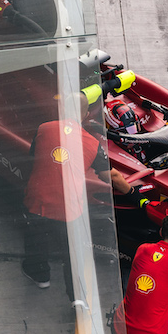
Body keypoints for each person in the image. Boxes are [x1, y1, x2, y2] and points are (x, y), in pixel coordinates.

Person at [21, 94, 129, 300]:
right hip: (69, 210)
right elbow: (111, 176)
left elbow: (34, 155)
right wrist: (132, 193)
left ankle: (40, 276)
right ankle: (76, 298)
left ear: (61, 109)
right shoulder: (93, 144)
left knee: (35, 240)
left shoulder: (43, 128)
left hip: (38, 202)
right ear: (86, 115)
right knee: (71, 253)